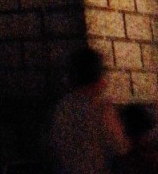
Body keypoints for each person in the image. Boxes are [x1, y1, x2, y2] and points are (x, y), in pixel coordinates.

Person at [47, 46, 128, 174]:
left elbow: (53, 147)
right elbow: (119, 146)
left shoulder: (62, 107)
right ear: (98, 75)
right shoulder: (100, 108)